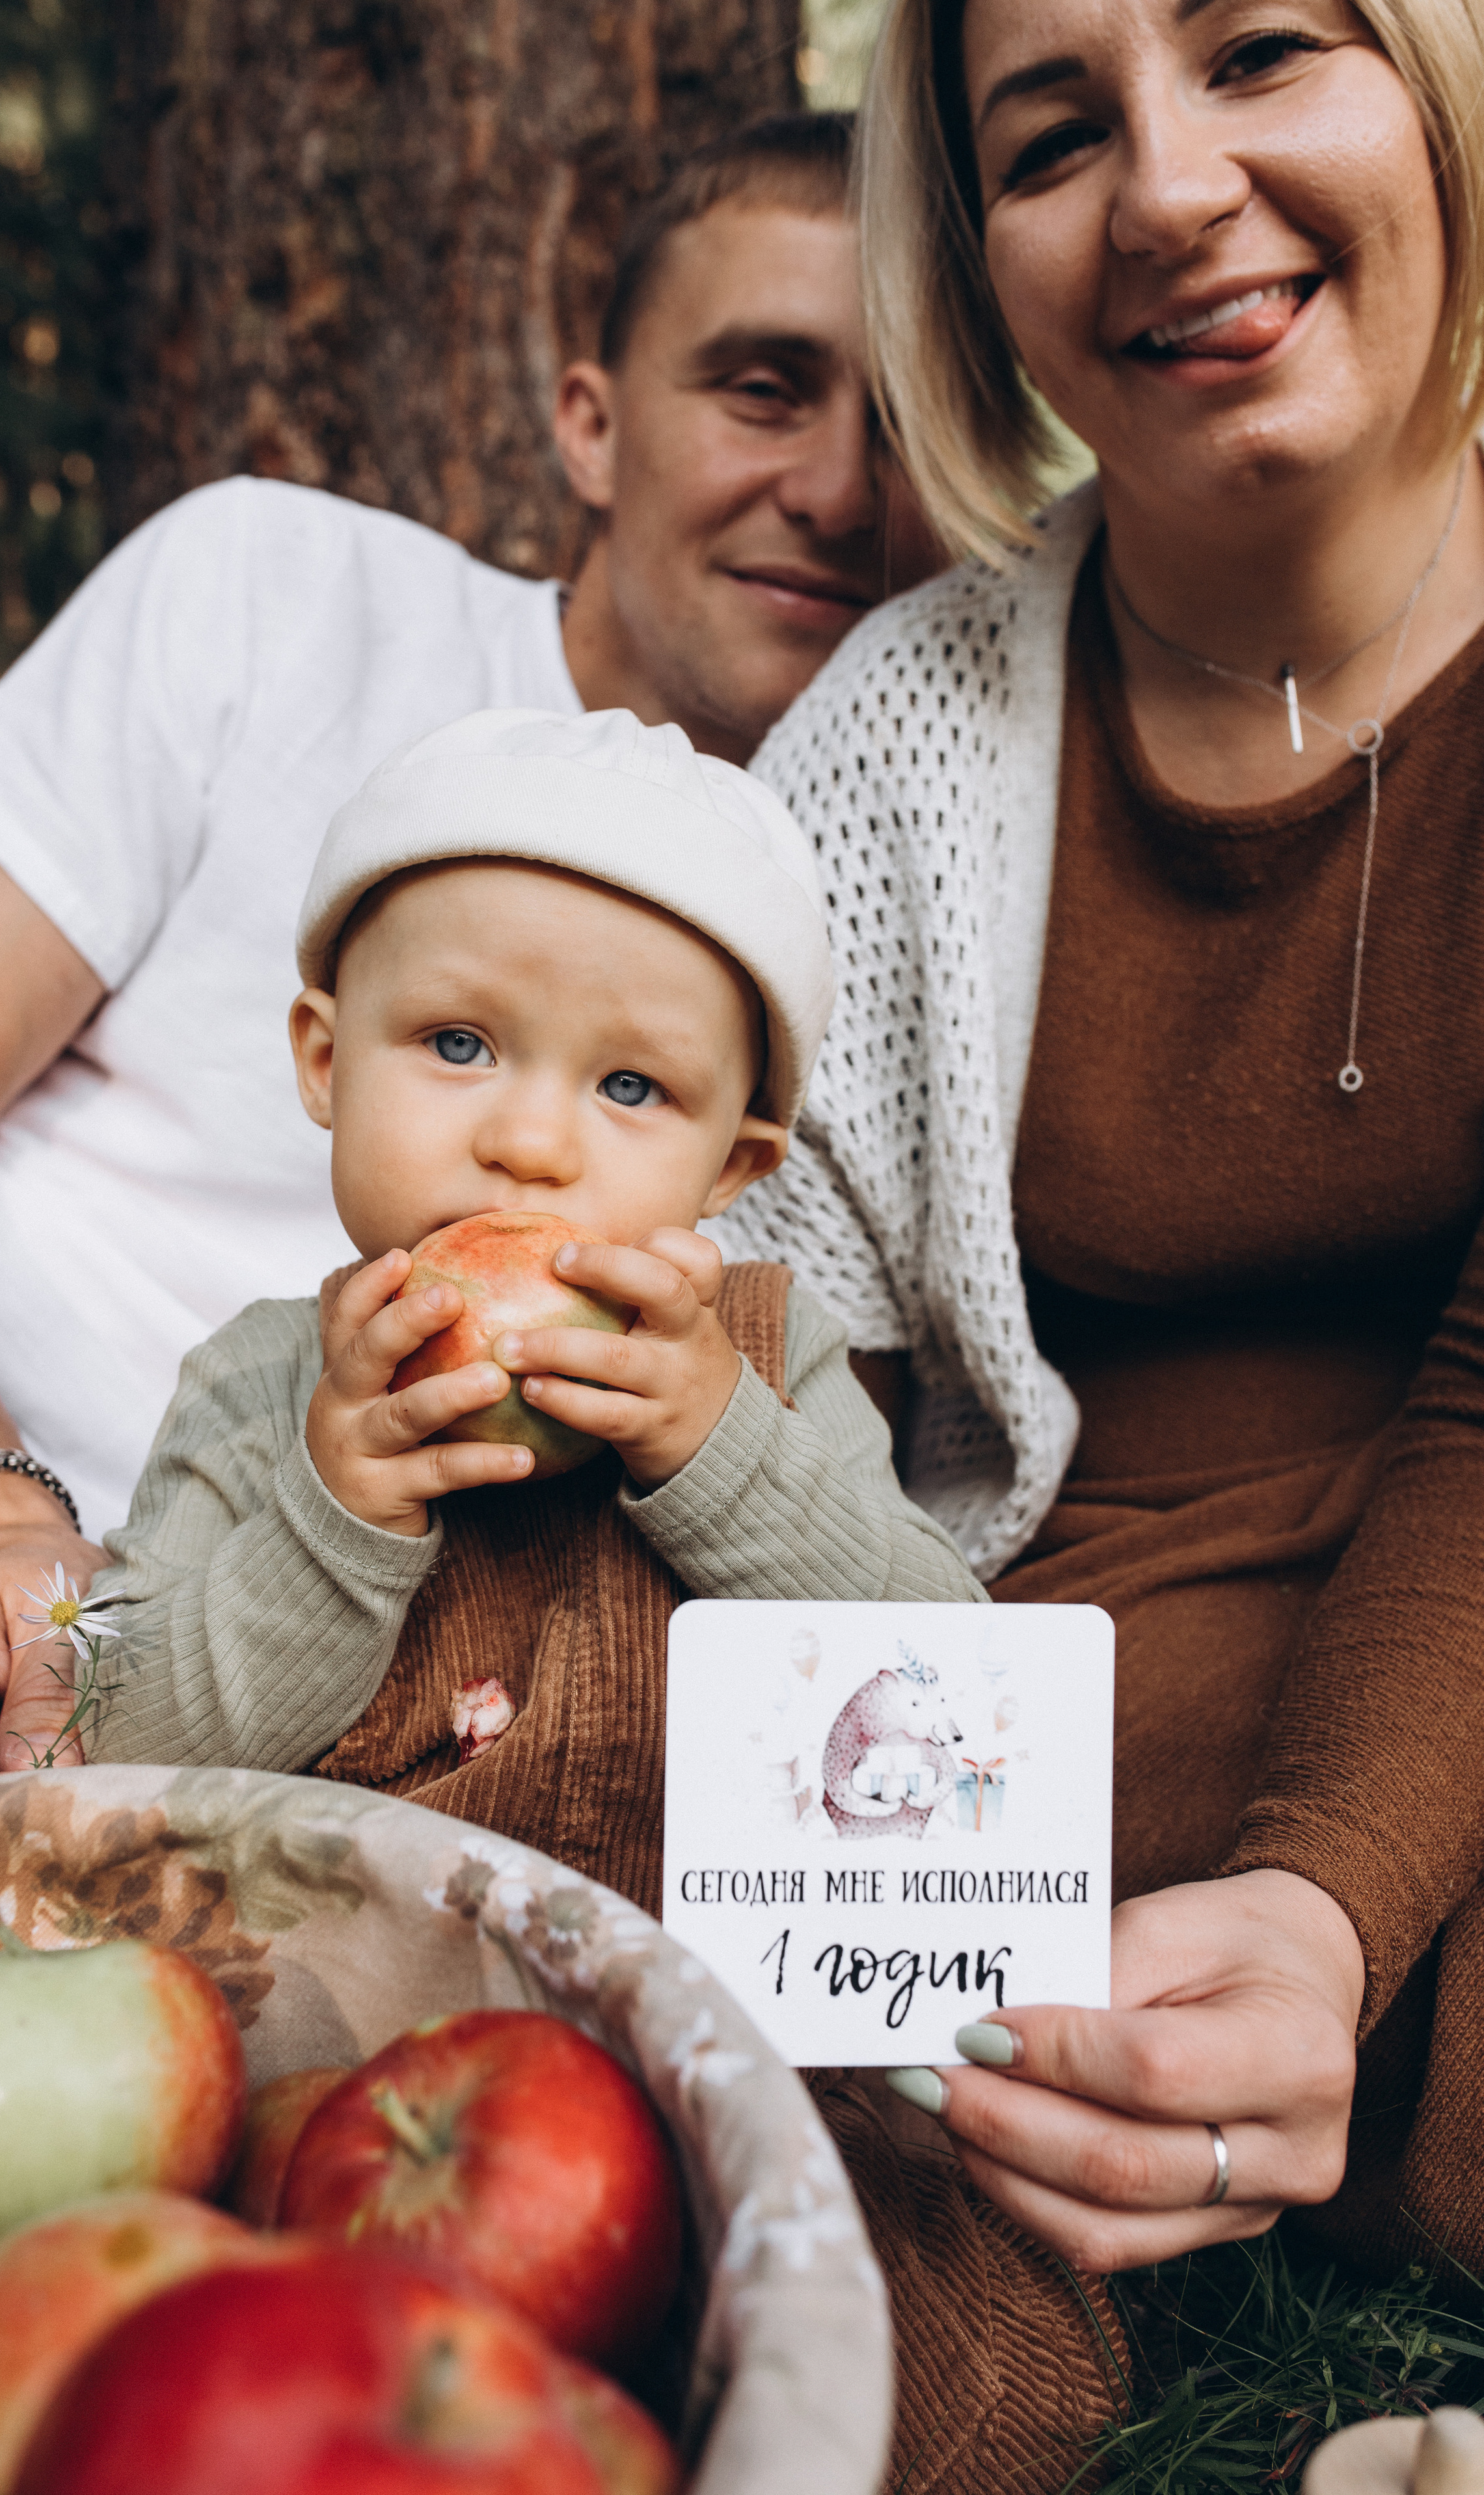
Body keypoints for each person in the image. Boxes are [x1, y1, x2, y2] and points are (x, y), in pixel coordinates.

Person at [711, 0, 1484, 2481]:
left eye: (1267, 47)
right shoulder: (897, 728)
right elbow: (756, 1343)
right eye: (1053, 136)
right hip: (1035, 1705)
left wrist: (1328, 1894)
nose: (1165, 191)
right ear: (985, 269)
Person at [0, 112, 943, 1790]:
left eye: (918, 421)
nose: (844, 490)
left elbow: (929, 1647)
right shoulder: (267, 590)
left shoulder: (944, 874)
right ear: (589, 421)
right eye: (761, 387)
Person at [77, 708, 981, 1899]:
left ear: (730, 1169)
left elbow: (961, 1677)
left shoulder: (769, 1364)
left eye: (629, 1084)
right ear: (324, 1061)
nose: (530, 1143)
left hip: (709, 2028)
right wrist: (329, 1519)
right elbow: (108, 1749)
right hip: (358, 2034)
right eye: (459, 1044)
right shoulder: (258, 1387)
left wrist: (723, 1450)